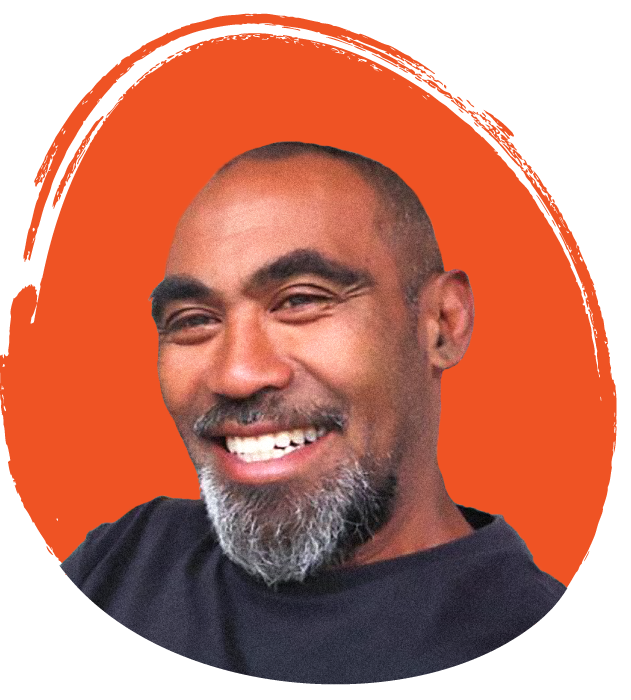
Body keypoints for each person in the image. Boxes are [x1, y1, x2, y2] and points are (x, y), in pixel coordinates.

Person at [61, 142, 566, 682]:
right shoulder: (126, 560)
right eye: (193, 320)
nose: (237, 375)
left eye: (301, 300)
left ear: (441, 324)